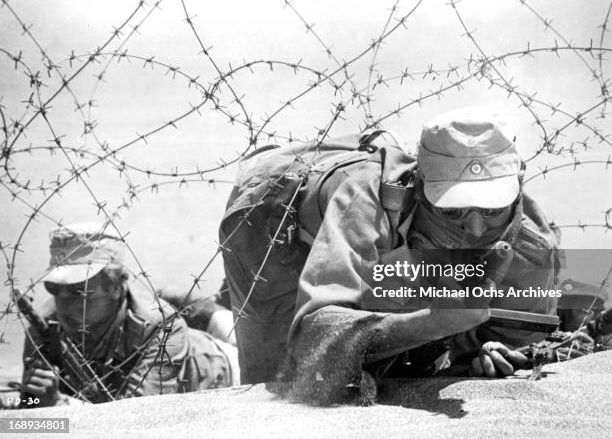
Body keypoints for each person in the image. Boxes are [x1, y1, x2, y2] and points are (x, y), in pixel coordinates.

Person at [275, 107, 563, 403]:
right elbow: (311, 341)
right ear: (420, 183)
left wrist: (486, 352)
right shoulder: (368, 201)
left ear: (519, 184)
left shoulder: (532, 248)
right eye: (452, 211)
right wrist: (433, 323)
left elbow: (519, 345)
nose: (476, 230)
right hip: (278, 228)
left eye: (493, 210)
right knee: (285, 385)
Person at [20, 223, 239, 407]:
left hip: (220, 370)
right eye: (55, 288)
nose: (64, 303)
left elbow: (139, 421)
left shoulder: (163, 329)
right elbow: (28, 423)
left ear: (115, 287)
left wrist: (60, 406)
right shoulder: (43, 329)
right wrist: (32, 404)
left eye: (80, 291)